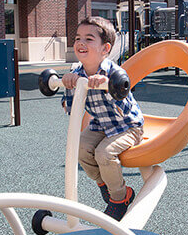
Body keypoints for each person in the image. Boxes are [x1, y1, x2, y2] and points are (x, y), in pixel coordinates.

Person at [61, 16, 144, 221]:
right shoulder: (77, 72)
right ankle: (104, 183)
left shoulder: (115, 73)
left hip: (128, 126)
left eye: (89, 39)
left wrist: (107, 86)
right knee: (78, 148)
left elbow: (125, 109)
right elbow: (71, 109)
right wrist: (70, 85)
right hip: (100, 125)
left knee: (104, 154)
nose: (81, 43)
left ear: (105, 48)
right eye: (78, 38)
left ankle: (121, 197)